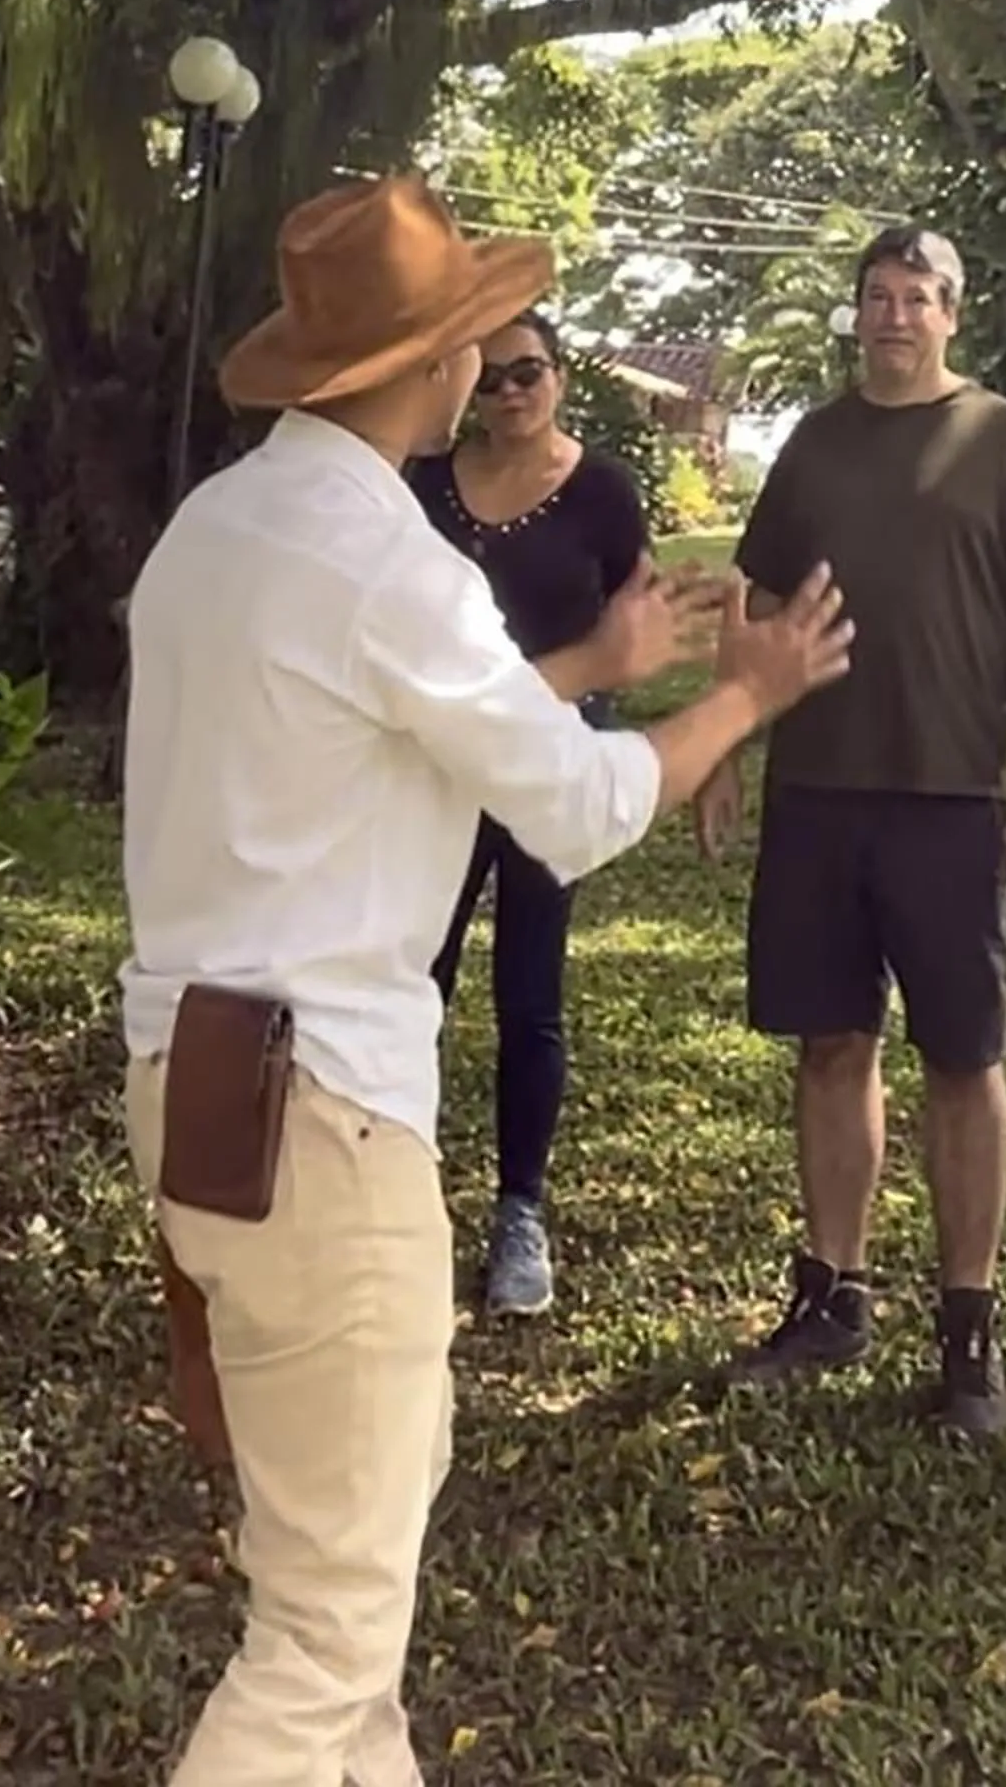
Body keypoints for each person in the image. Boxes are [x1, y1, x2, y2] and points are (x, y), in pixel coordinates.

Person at [116, 172, 854, 1787]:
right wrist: (746, 696)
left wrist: (588, 671)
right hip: (323, 1120)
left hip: (193, 1089)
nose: (488, 369)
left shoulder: (209, 536)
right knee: (319, 1644)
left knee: (345, 1604)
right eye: (473, 340)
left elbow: (379, 727)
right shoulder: (391, 563)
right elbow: (581, 810)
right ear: (438, 363)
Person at [695, 222, 1006, 1441]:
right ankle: (833, 1292)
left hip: (958, 794)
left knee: (965, 1061)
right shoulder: (814, 443)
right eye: (877, 295)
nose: (896, 315)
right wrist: (722, 743)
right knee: (831, 1043)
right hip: (822, 790)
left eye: (920, 296)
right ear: (857, 313)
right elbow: (754, 599)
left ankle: (968, 1327)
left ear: (952, 314)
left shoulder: (1003, 440)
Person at [409, 308, 647, 1317]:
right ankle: (398, 1192)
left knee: (529, 994)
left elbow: (637, 618)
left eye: (531, 372)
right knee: (415, 980)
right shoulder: (423, 485)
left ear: (560, 377)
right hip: (439, 771)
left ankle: (519, 1214)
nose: (511, 392)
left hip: (548, 768)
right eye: (494, 375)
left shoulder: (602, 493)